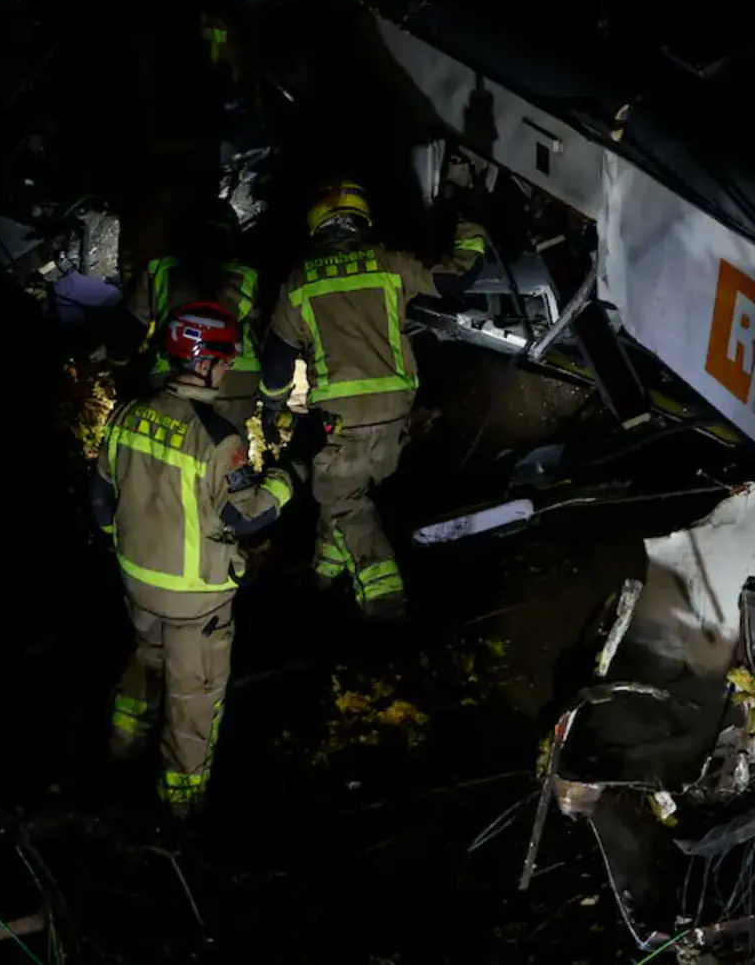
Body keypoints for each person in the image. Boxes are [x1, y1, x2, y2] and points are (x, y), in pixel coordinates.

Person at [91, 301, 305, 817]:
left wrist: (129, 548)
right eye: (225, 358)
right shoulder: (217, 438)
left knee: (144, 667)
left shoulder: (127, 415)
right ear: (203, 361)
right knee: (193, 704)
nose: (229, 366)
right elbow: (247, 517)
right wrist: (292, 472)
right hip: (196, 606)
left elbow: (100, 498)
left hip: (137, 588)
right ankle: (178, 817)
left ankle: (114, 763)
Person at [259, 179, 487, 620]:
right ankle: (324, 578)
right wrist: (471, 219)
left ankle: (385, 607)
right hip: (395, 416)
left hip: (338, 420)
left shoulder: (300, 281)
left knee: (344, 503)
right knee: (345, 497)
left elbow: (276, 362)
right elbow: (457, 276)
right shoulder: (388, 262)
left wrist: (272, 409)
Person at [122, 210, 263, 427]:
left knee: (169, 437)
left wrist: (117, 363)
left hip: (172, 375)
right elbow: (264, 331)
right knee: (226, 445)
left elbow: (131, 329)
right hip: (237, 384)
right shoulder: (247, 276)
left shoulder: (160, 269)